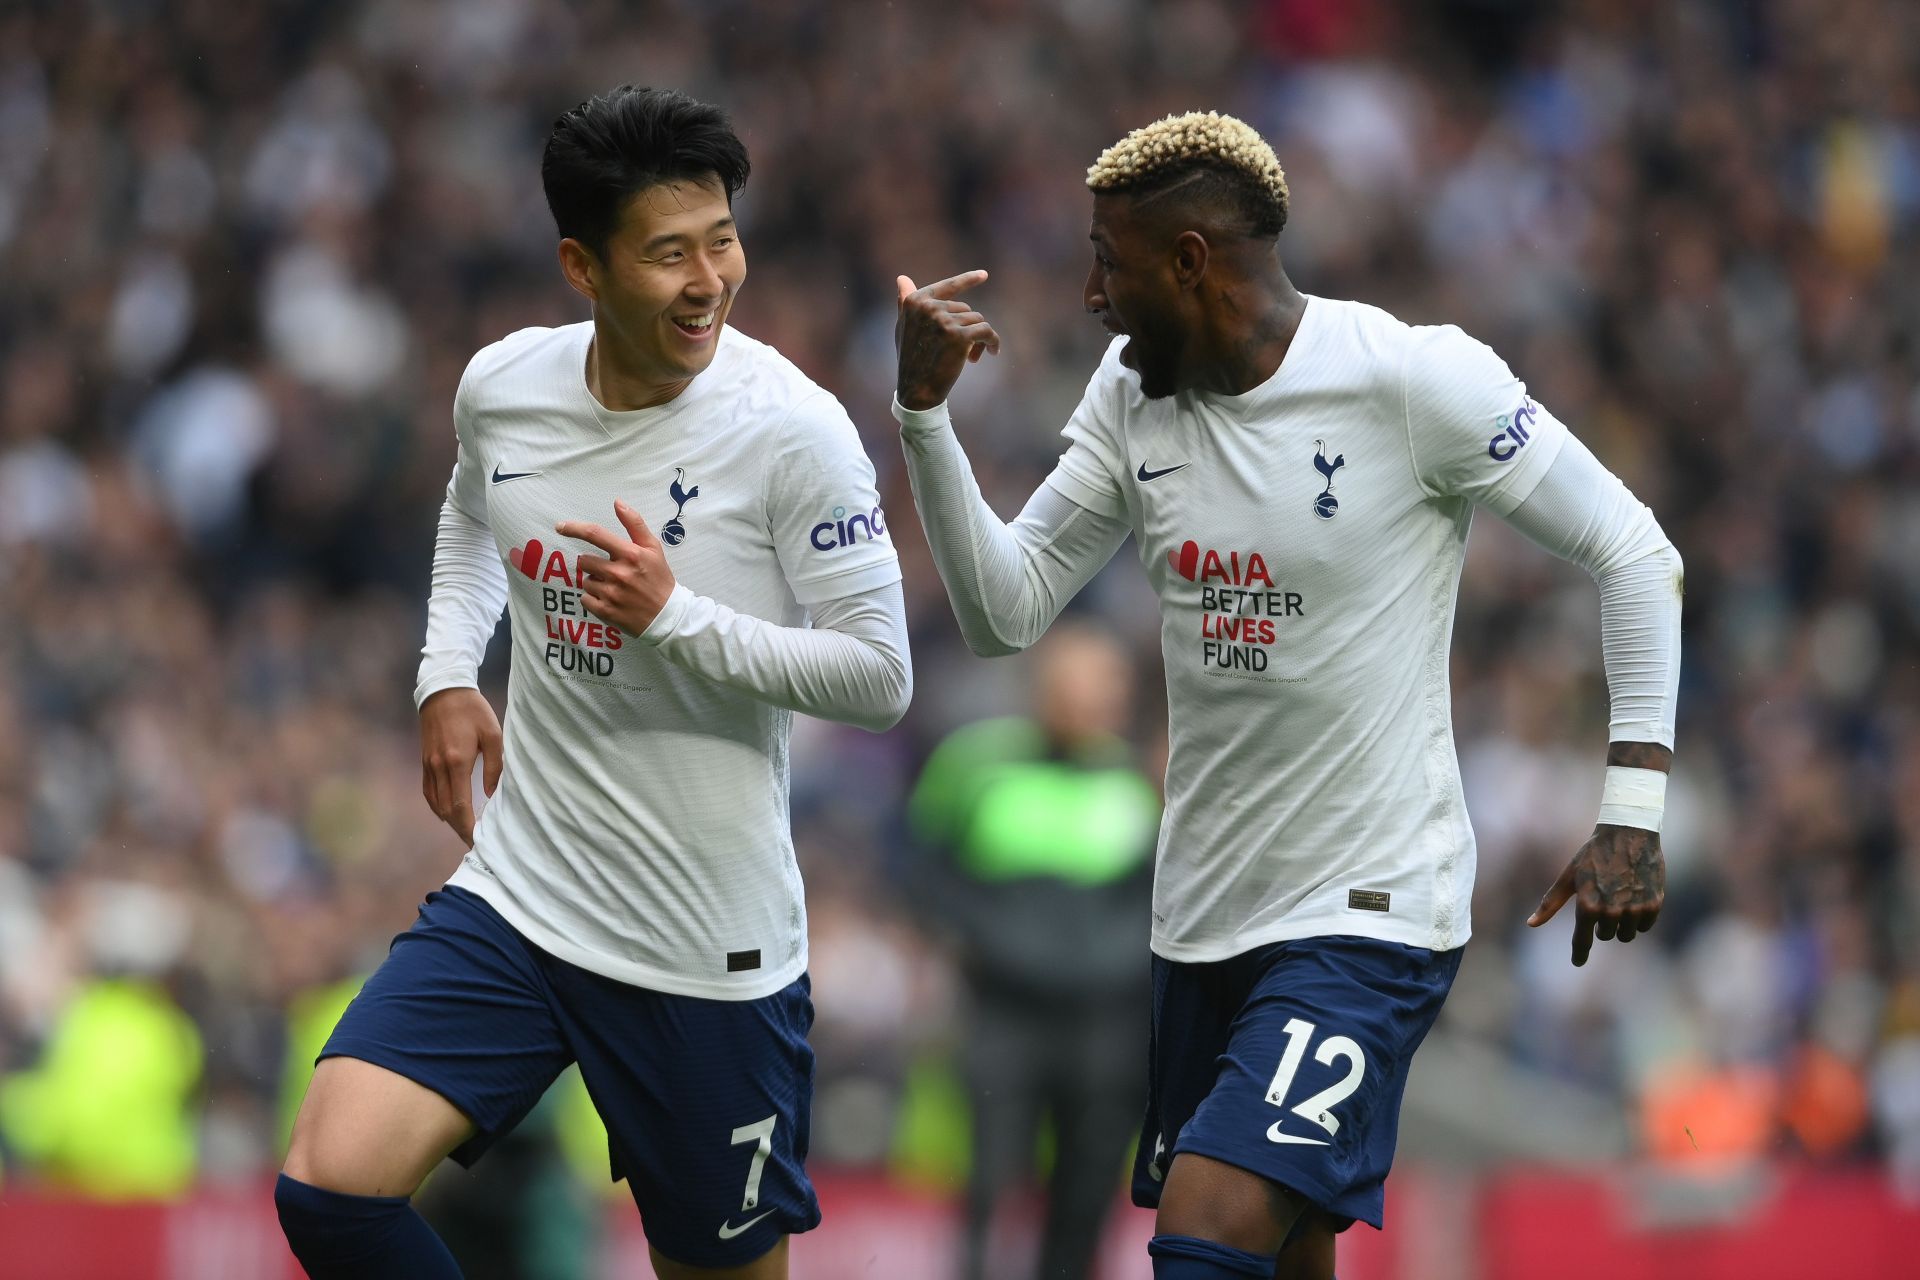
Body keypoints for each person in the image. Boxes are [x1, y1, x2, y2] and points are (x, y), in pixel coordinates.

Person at [891, 111, 1681, 1280]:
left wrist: (1631, 808)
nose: (1092, 295)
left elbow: (1635, 549)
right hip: (1203, 911)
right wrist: (922, 419)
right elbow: (1004, 610)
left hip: (1366, 908)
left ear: (1192, 262)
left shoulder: (1415, 380)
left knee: (1206, 1222)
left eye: (1110, 262)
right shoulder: (1130, 395)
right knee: (1284, 1248)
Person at [275, 86, 911, 1280]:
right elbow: (475, 513)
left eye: (721, 239)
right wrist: (447, 672)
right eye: (668, 253)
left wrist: (677, 618)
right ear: (582, 263)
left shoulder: (795, 431)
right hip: (530, 890)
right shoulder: (505, 387)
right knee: (329, 1186)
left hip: (705, 948)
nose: (709, 279)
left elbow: (881, 675)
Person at [908, 623, 1158, 1280]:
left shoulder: (1142, 781)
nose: (1091, 702)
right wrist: (977, 938)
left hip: (1108, 1023)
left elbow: (1162, 895)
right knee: (989, 1183)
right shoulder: (977, 763)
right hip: (1003, 1013)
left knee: (1086, 1192)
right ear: (1040, 688)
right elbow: (919, 861)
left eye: (1105, 687)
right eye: (1074, 685)